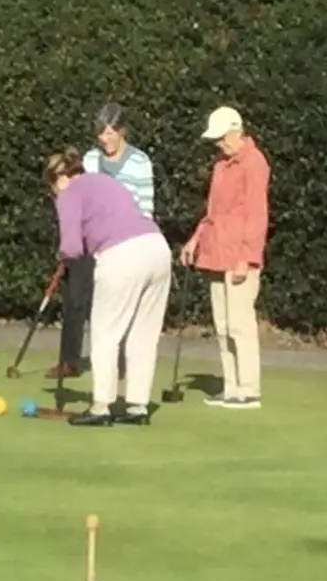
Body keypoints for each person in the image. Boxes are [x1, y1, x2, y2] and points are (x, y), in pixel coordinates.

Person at [47, 148, 173, 427]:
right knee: (143, 333)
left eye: (52, 189)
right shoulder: (105, 181)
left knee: (105, 332)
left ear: (59, 179)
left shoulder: (69, 192)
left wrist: (63, 256)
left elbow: (71, 246)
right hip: (158, 248)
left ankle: (101, 406)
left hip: (121, 254)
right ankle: (137, 406)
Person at [49, 103, 157, 380]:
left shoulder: (140, 162)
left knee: (117, 304)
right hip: (90, 239)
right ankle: (69, 362)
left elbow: (145, 207)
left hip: (123, 242)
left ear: (122, 131)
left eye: (110, 132)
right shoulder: (91, 159)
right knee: (75, 300)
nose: (105, 139)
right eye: (101, 133)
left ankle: (121, 363)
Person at [180, 106, 272, 410]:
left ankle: (249, 390)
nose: (219, 144)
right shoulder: (221, 165)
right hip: (215, 253)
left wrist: (247, 258)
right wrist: (195, 239)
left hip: (238, 258)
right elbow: (213, 212)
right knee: (222, 325)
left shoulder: (254, 163)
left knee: (240, 325)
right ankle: (231, 387)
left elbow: (257, 215)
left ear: (236, 130)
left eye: (222, 138)